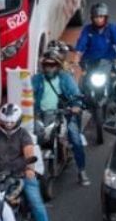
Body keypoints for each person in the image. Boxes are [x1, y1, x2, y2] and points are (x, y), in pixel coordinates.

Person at [32, 44, 89, 186]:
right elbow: (27, 94)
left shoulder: (65, 78)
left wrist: (75, 106)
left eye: (52, 65)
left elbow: (75, 93)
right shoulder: (37, 79)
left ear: (58, 66)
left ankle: (82, 171)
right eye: (46, 65)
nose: (49, 68)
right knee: (28, 141)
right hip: (41, 116)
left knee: (75, 140)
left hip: (63, 115)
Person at [74, 3, 116, 112]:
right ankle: (80, 102)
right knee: (82, 81)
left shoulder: (112, 28)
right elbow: (81, 44)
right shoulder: (87, 29)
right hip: (90, 60)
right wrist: (77, 56)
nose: (98, 19)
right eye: (96, 17)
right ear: (92, 18)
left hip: (109, 60)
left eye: (101, 17)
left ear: (105, 18)